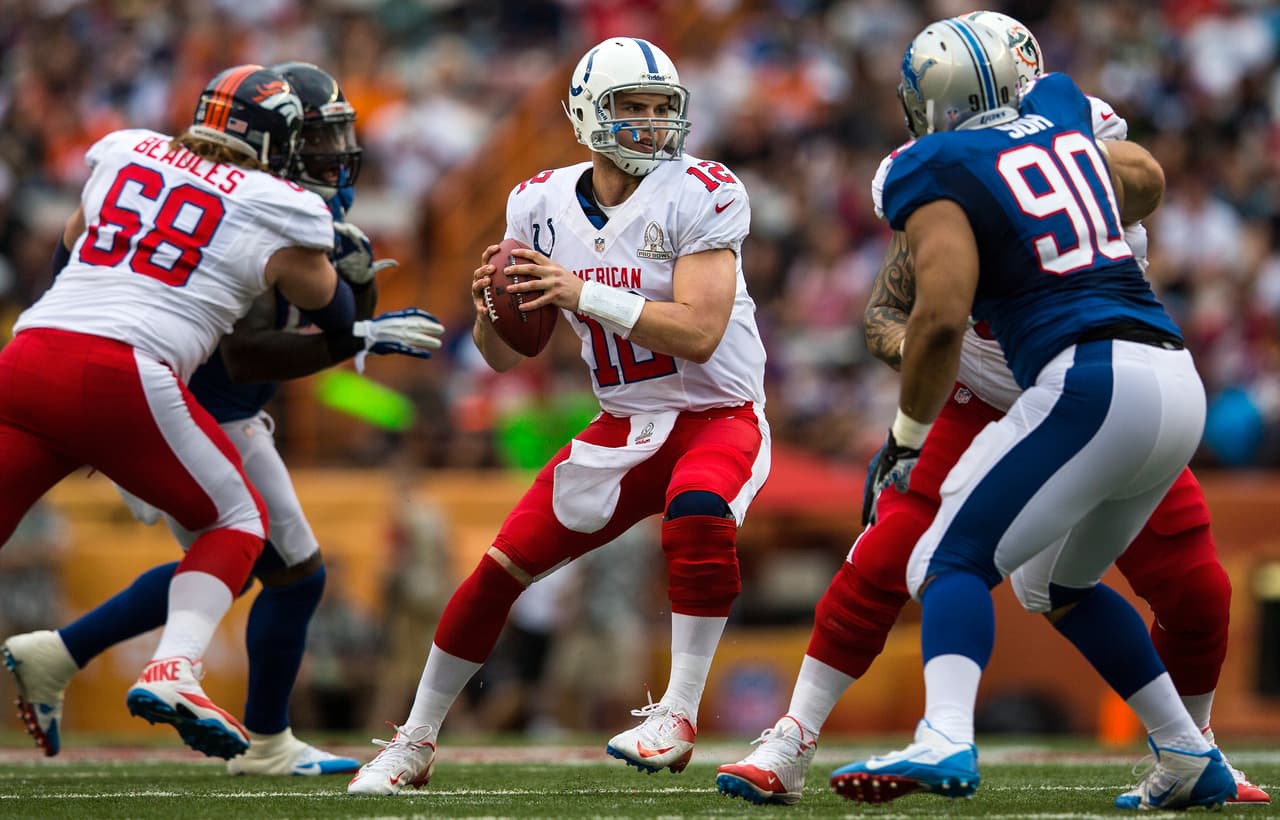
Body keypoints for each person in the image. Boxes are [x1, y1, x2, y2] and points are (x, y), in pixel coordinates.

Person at [715, 11, 1269, 809]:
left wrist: (903, 433)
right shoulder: (1064, 110)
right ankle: (792, 739)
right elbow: (899, 311)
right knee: (1006, 576)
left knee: (958, 562)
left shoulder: (952, 157)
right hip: (1123, 378)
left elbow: (1144, 177)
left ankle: (953, 735)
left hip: (1081, 382)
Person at [346, 35, 770, 795]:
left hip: (716, 414)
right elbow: (507, 358)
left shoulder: (702, 189)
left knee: (700, 510)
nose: (647, 122)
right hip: (625, 424)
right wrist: (491, 314)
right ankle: (412, 742)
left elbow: (700, 331)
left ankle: (676, 713)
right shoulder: (538, 201)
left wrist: (580, 293)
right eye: (629, 107)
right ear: (586, 114)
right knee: (496, 572)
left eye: (658, 108)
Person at [0, 63, 444, 773]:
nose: (335, 151)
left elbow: (69, 250)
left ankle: (65, 654)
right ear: (280, 139)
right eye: (318, 135)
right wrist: (354, 327)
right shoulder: (273, 203)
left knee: (272, 571)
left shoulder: (130, 152)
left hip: (41, 353)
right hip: (160, 392)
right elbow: (245, 354)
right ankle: (195, 689)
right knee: (245, 538)